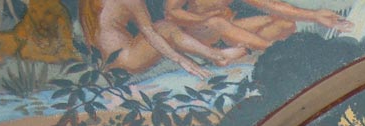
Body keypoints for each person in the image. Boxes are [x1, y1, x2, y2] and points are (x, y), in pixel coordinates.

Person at [81, 0, 246, 79]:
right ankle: (217, 55)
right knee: (164, 27)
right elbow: (151, 34)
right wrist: (182, 60)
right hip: (127, 61)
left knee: (163, 29)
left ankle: (214, 54)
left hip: (104, 62)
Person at [164, 0, 351, 53]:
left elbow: (270, 4)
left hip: (228, 30)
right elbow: (171, 12)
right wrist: (202, 18)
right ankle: (273, 49)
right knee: (217, 22)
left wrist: (314, 16)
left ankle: (242, 50)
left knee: (284, 23)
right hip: (200, 34)